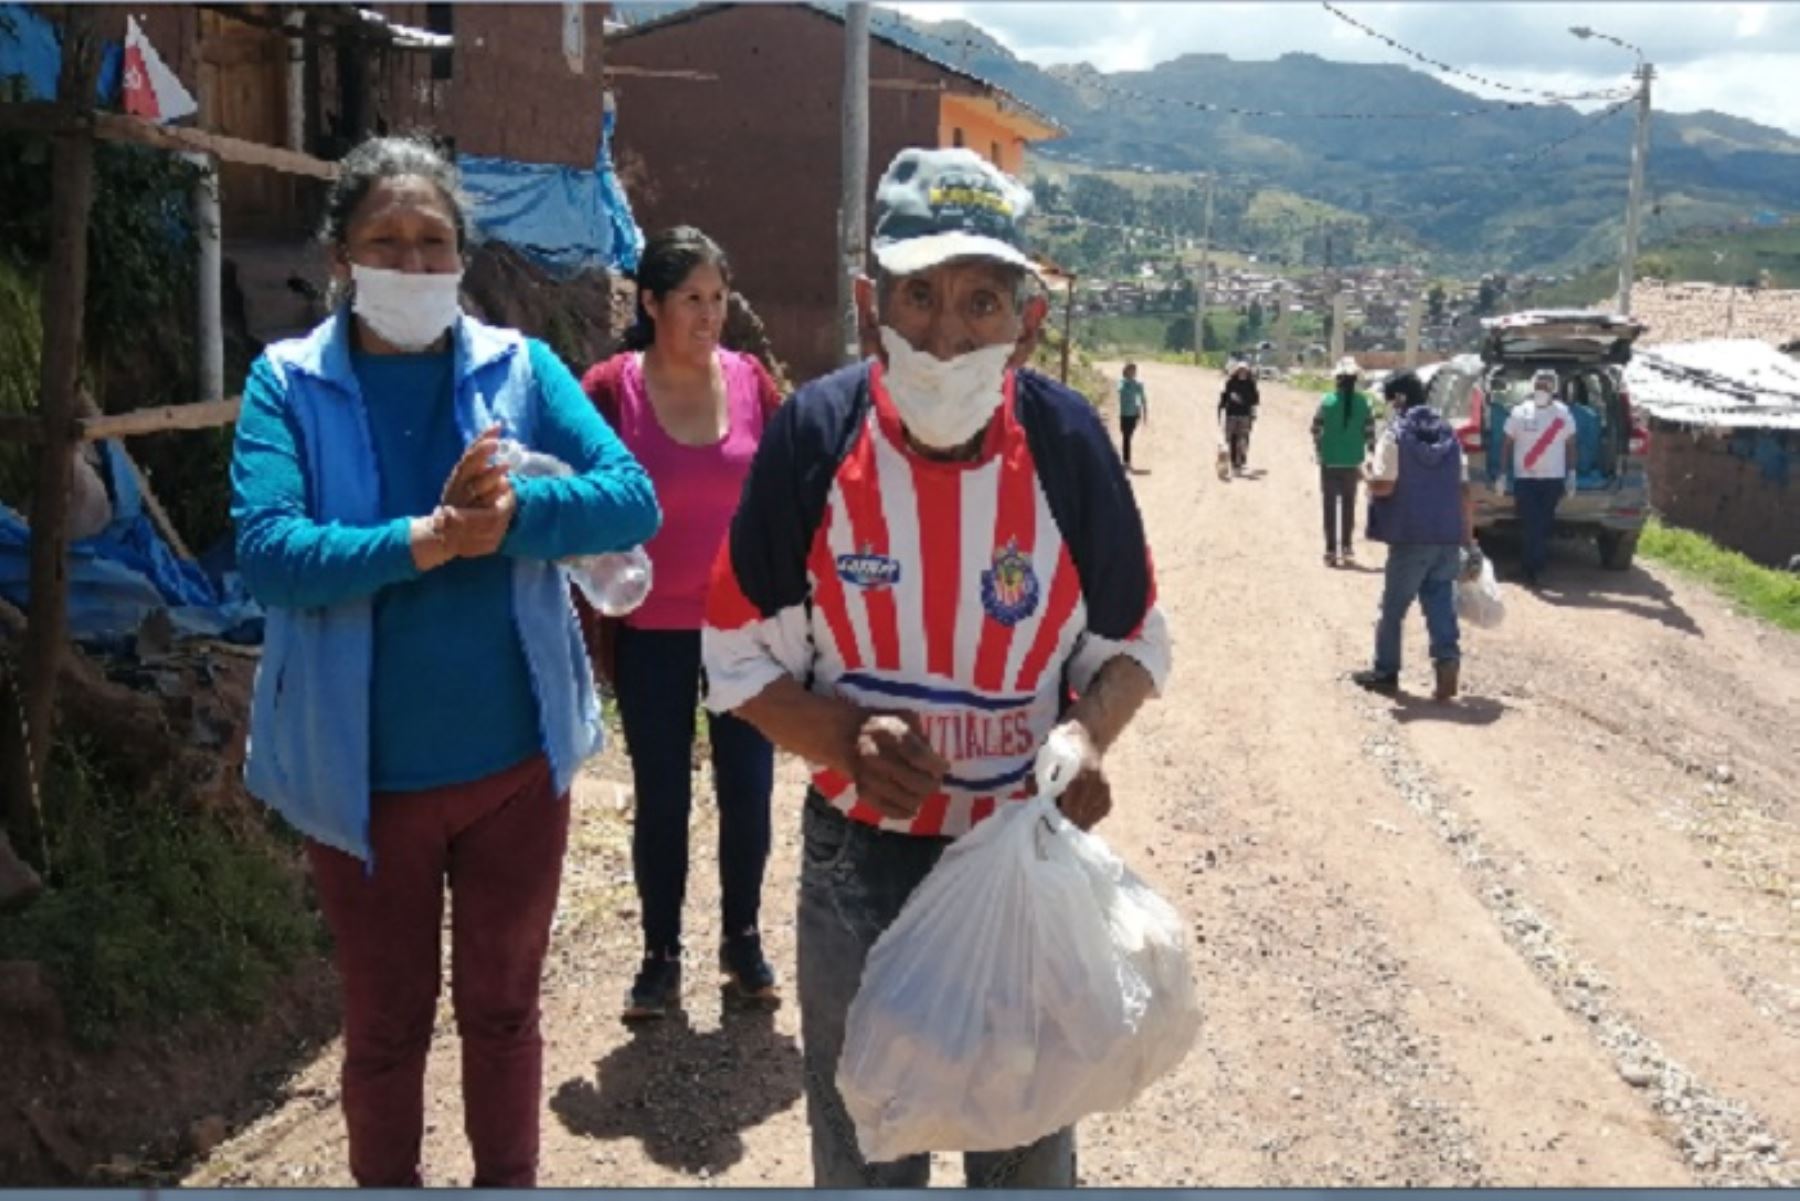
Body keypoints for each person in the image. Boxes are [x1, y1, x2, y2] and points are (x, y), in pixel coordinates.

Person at [701, 147, 1171, 1187]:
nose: (947, 334)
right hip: (856, 867)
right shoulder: (815, 439)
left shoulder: (1068, 445)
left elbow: (1135, 642)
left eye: (981, 300)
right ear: (872, 301)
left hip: (1020, 859)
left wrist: (1086, 733)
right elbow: (732, 655)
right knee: (868, 1146)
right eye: (918, 295)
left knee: (1025, 1144)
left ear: (1027, 319)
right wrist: (838, 736)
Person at [230, 136, 661, 1188]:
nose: (413, 265)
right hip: (359, 782)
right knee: (383, 1029)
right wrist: (426, 539)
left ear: (462, 258)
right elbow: (269, 553)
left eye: (433, 245)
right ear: (341, 257)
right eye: (387, 242)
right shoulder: (286, 385)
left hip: (514, 766)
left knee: (505, 1011)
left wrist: (513, 514)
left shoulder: (522, 369)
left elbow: (631, 498)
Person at [579, 227, 785, 1022]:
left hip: (742, 630)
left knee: (750, 788)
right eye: (691, 299)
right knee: (661, 793)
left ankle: (742, 939)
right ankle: (660, 955)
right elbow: (567, 484)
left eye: (718, 298)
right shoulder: (608, 389)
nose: (709, 315)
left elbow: (789, 486)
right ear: (652, 303)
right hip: (650, 630)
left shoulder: (751, 382)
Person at [1353, 370, 1477, 702]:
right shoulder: (1449, 435)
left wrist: (1365, 475)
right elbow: (1464, 491)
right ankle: (1447, 664)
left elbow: (1385, 485)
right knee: (1440, 604)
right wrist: (1469, 539)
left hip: (1410, 537)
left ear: (1398, 399)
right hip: (1446, 537)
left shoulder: (1394, 436)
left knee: (1393, 609)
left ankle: (1385, 672)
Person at [1500, 367, 1579, 588]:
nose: (1542, 389)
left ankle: (1531, 566)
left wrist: (1571, 473)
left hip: (1553, 479)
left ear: (1554, 388)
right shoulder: (1519, 412)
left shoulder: (1562, 414)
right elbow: (1506, 443)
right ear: (1532, 386)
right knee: (1532, 523)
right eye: (1539, 385)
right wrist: (1503, 473)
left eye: (1547, 385)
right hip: (1525, 479)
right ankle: (1534, 569)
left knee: (1542, 524)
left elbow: (1571, 445)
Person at [1312, 356, 1375, 567]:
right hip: (1352, 461)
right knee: (1349, 506)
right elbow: (1369, 433)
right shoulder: (1363, 402)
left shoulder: (1326, 401)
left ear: (1337, 380)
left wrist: (1320, 450)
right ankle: (1347, 547)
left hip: (1329, 462)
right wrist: (1370, 456)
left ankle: (1330, 550)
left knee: (1329, 507)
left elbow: (1315, 428)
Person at [1219, 358, 1260, 473]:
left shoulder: (1251, 384)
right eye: (1240, 371)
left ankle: (1241, 459)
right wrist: (1221, 408)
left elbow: (1255, 400)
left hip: (1245, 415)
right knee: (1231, 439)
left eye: (1245, 371)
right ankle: (1233, 462)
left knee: (1243, 439)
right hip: (1231, 414)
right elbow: (1223, 398)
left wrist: (1249, 407)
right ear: (1236, 371)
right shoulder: (1230, 383)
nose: (1243, 373)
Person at [1117, 361, 1147, 469]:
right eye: (1131, 370)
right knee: (1126, 436)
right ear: (1126, 371)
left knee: (1127, 436)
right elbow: (1120, 391)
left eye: (1134, 370)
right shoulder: (1121, 382)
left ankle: (1126, 460)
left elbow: (1140, 399)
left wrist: (1142, 412)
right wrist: (1128, 384)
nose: (1133, 372)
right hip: (1124, 413)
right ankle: (1126, 460)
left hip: (1133, 414)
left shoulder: (1138, 385)